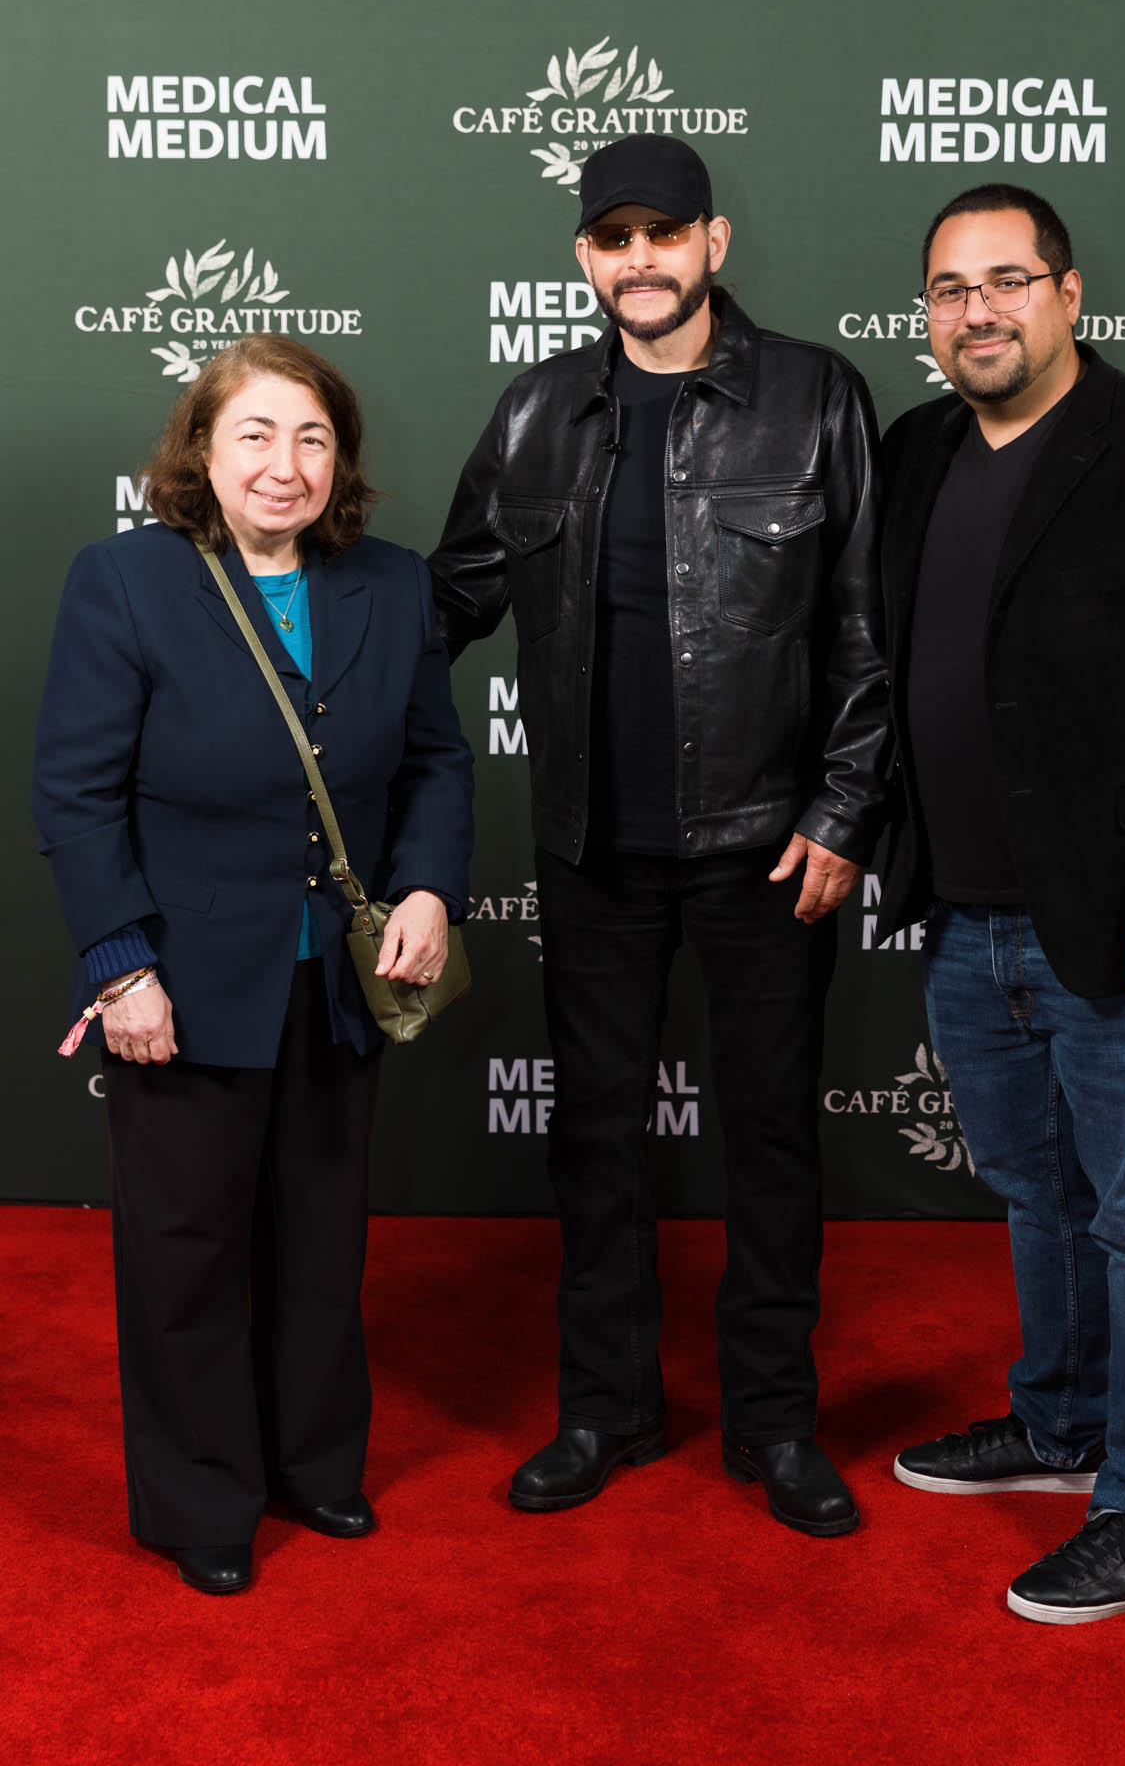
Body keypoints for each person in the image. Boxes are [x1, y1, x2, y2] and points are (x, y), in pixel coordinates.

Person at [430, 133, 886, 1535]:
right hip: (590, 851)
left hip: (767, 846)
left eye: (665, 233)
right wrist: (271, 620)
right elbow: (446, 599)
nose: (641, 259)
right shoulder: (534, 412)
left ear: (713, 243)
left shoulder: (814, 395)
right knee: (594, 1141)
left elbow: (866, 619)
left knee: (772, 1142)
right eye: (614, 237)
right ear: (585, 256)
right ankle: (604, 1408)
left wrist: (843, 808)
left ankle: (775, 1423)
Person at [877, 183, 1125, 1622]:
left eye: (1007, 279)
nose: (976, 310)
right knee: (1035, 1193)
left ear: (1065, 293)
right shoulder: (915, 448)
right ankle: (1061, 1425)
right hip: (965, 910)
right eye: (949, 288)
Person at [33, 335, 473, 1596]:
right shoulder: (124, 579)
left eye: (313, 437)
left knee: (319, 1239)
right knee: (186, 1251)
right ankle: (201, 1498)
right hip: (179, 978)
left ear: (342, 460)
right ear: (202, 451)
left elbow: (437, 759)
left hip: (335, 977)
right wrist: (120, 964)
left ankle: (313, 1462)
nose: (286, 464)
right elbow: (75, 791)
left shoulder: (391, 582)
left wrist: (430, 886)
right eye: (257, 435)